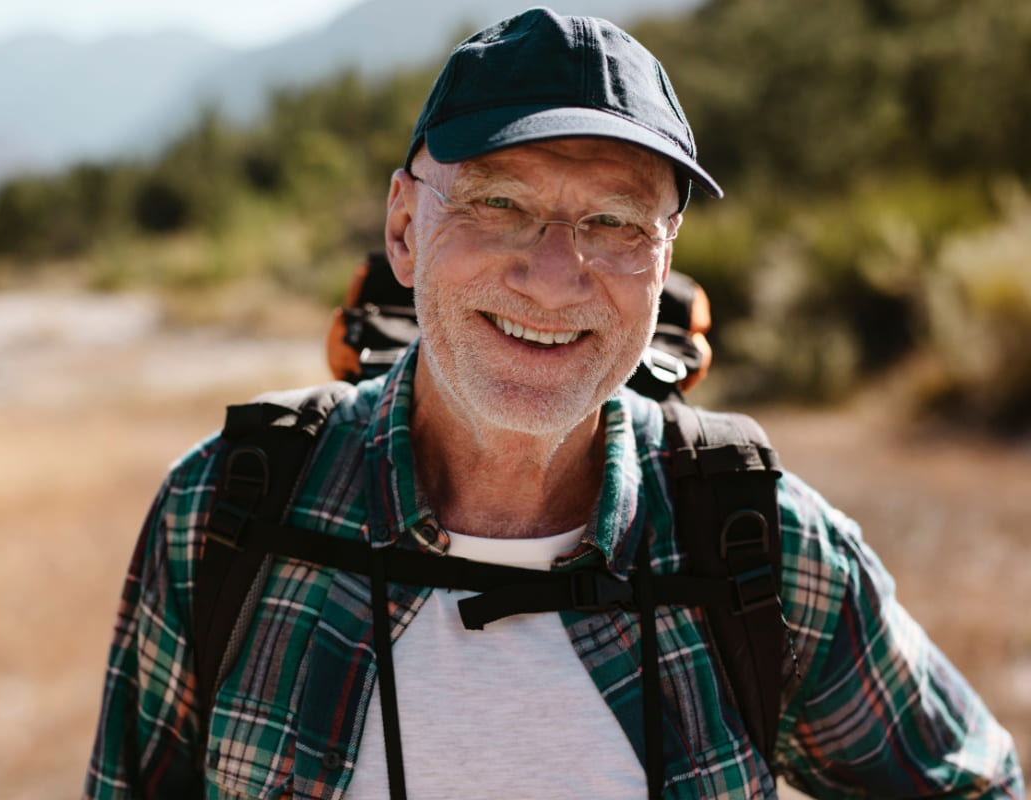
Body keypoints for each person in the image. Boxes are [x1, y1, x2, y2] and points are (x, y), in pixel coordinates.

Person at [83, 8, 1022, 799]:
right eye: (497, 205)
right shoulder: (228, 513)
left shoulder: (762, 546)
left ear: (663, 263)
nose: (552, 276)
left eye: (613, 222)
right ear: (406, 229)